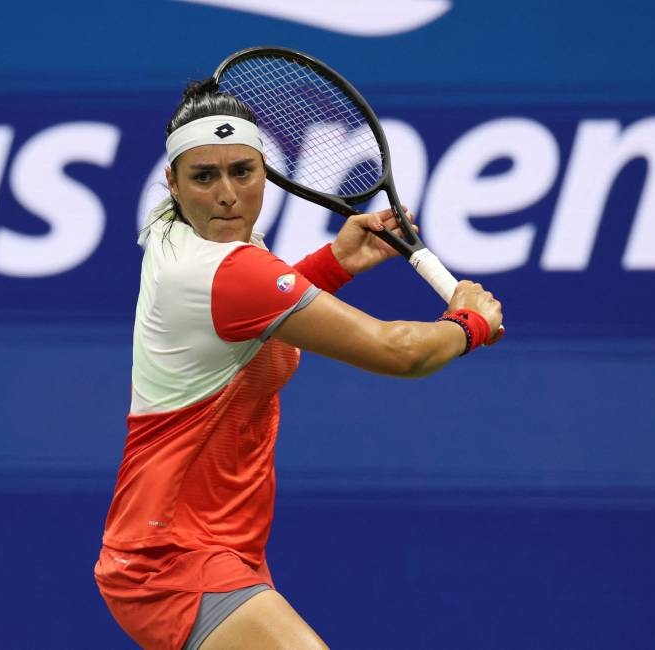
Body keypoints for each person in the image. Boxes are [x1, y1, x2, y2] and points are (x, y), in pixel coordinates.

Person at [95, 78, 503, 650]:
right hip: (171, 559)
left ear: (266, 169)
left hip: (209, 544)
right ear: (173, 182)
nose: (227, 194)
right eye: (203, 177)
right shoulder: (225, 270)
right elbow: (399, 352)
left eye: (243, 171)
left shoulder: (191, 242)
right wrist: (469, 324)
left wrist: (334, 263)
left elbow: (251, 320)